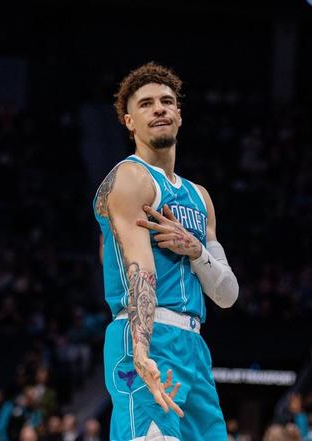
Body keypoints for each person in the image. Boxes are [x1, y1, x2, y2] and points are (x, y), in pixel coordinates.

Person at [93, 62, 239, 440]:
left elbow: (227, 294)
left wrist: (195, 250)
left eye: (166, 101)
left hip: (193, 344)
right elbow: (140, 269)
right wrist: (141, 350)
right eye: (146, 104)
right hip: (148, 333)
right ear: (129, 122)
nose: (159, 109)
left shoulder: (200, 196)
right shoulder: (130, 177)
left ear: (179, 114)